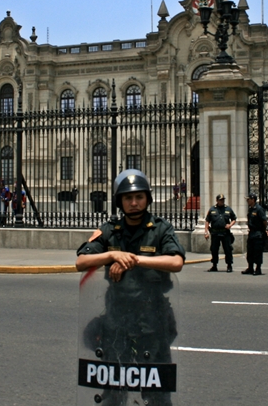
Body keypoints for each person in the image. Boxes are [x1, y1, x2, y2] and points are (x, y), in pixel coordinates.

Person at [76, 169, 184, 406]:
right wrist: (112, 255)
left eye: (139, 197)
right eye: (128, 198)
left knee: (157, 392)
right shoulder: (110, 230)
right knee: (113, 391)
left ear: (147, 198)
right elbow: (81, 262)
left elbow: (176, 262)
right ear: (120, 201)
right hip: (117, 322)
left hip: (152, 321)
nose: (134, 203)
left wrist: (133, 260)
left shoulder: (160, 229)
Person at [204, 193, 237, 272]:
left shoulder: (228, 209)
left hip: (225, 233)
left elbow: (234, 219)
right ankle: (214, 265)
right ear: (217, 200)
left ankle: (229, 265)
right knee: (214, 249)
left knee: (228, 249)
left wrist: (230, 225)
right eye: (220, 200)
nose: (222, 201)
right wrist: (206, 232)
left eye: (223, 200)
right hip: (215, 233)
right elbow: (207, 221)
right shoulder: (212, 209)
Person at [242, 193, 268, 275]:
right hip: (251, 233)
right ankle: (250, 268)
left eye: (248, 199)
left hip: (258, 233)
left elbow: (264, 221)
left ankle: (258, 269)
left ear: (253, 200)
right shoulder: (251, 209)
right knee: (250, 251)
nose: (247, 201)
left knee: (257, 252)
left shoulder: (259, 209)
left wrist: (264, 230)